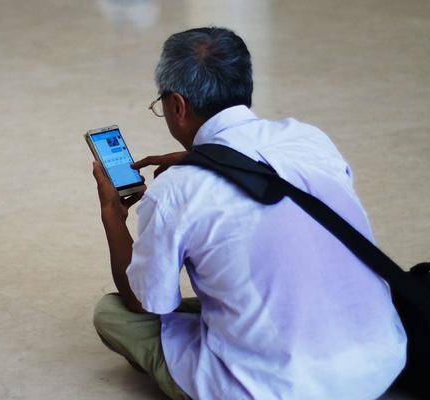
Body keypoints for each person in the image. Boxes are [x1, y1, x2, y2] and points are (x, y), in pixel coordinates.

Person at [91, 27, 407, 400]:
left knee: (112, 313)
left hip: (276, 389)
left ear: (177, 105)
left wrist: (112, 213)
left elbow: (143, 301)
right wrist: (210, 161)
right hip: (383, 363)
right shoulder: (309, 139)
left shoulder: (176, 190)